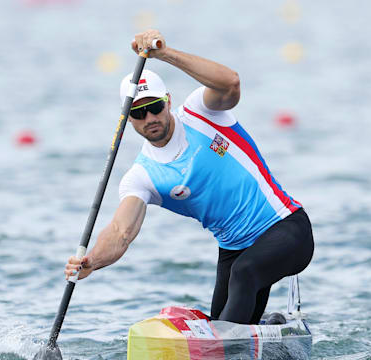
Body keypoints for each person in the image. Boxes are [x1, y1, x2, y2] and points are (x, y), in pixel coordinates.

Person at [65, 29, 314, 324]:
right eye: (138, 113)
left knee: (243, 276)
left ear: (168, 101)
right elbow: (121, 232)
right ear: (127, 118)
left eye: (155, 107)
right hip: (234, 250)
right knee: (223, 322)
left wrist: (164, 54)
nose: (150, 119)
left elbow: (231, 82)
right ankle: (271, 328)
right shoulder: (142, 175)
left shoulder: (201, 112)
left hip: (286, 229)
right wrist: (91, 261)